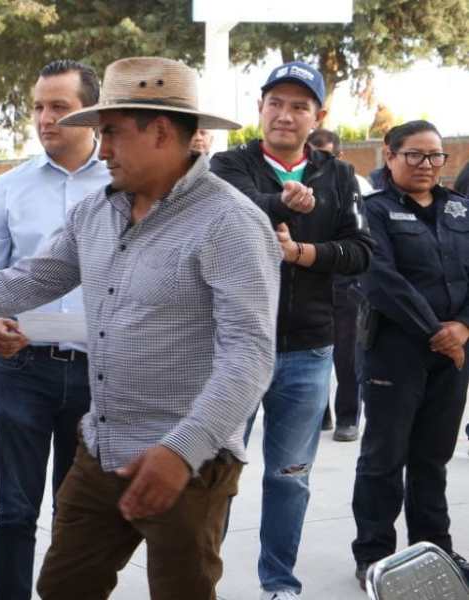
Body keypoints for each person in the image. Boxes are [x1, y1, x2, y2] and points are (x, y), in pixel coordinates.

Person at [0, 56, 281, 599]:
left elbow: (249, 355)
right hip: (102, 450)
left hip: (189, 465)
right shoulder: (97, 213)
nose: (102, 150)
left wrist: (181, 450)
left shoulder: (231, 223)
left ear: (162, 132)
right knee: (63, 588)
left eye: (113, 133)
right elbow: (24, 281)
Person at [210, 62, 373, 600]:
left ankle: (279, 584)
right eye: (275, 103)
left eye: (299, 106)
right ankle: (198, 582)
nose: (285, 114)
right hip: (233, 350)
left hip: (308, 351)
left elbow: (361, 252)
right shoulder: (227, 164)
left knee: (289, 477)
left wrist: (303, 253)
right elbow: (226, 214)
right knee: (213, 476)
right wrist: (280, 202)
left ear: (317, 116)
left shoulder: (338, 175)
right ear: (260, 109)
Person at [0, 59, 109, 600]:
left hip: (98, 374)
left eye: (59, 107)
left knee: (75, 515)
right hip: (23, 369)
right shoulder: (12, 187)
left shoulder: (122, 183)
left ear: (92, 115)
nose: (45, 118)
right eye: (38, 107)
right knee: (14, 511)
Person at [352, 120, 469, 586]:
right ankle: (374, 554)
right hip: (393, 352)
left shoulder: (460, 209)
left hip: (453, 355)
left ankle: (434, 549)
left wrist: (462, 327)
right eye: (415, 155)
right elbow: (380, 280)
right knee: (384, 458)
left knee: (432, 458)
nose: (427, 164)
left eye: (435, 156)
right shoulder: (372, 210)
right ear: (390, 155)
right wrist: (437, 332)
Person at [307, 128, 372, 442]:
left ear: (340, 155)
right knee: (312, 350)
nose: (319, 161)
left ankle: (348, 417)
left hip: (346, 280)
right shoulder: (297, 183)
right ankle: (321, 414)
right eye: (314, 153)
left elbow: (364, 239)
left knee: (346, 355)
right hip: (310, 276)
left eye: (327, 155)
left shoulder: (357, 185)